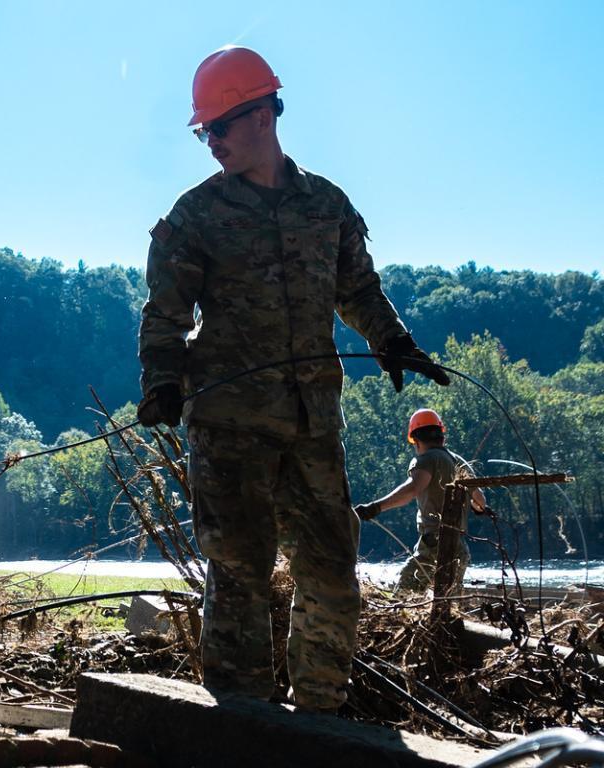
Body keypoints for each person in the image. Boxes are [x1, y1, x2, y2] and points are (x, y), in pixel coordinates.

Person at [136, 45, 449, 713]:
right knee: (240, 571)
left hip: (312, 423)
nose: (211, 142)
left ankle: (321, 716)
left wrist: (393, 341)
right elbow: (165, 315)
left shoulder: (326, 205)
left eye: (219, 127)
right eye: (203, 132)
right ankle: (243, 723)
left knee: (332, 567)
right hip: (228, 425)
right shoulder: (194, 217)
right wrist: (162, 382)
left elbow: (357, 289)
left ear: (263, 115)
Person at [354, 409, 488, 595]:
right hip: (459, 547)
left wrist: (375, 507)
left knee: (403, 595)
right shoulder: (459, 462)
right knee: (448, 601)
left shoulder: (426, 460)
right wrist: (478, 509)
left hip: (434, 545)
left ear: (416, 441)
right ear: (442, 437)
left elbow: (412, 489)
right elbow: (480, 501)